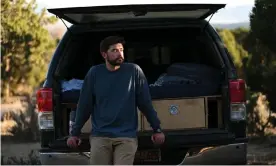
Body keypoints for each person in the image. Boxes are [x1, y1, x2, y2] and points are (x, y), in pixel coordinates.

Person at [67, 36, 165, 165]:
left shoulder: (134, 71)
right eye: (114, 50)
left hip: (126, 136)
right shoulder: (94, 73)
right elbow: (85, 106)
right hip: (100, 136)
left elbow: (145, 104)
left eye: (121, 50)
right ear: (104, 54)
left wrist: (157, 129)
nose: (120, 54)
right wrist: (75, 133)